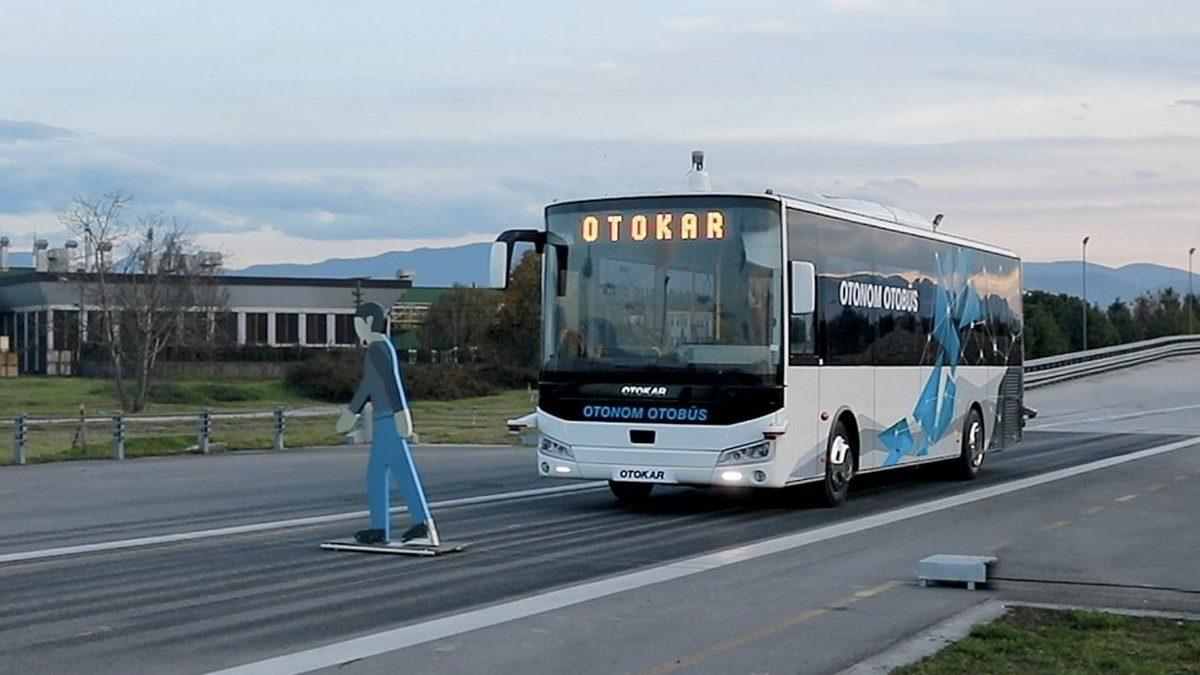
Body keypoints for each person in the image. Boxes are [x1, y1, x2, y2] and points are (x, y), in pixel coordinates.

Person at [336, 302, 439, 546]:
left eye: (358, 325)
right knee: (376, 473)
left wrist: (402, 413)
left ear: (369, 323)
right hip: (385, 420)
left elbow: (391, 383)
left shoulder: (378, 349)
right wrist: (352, 413)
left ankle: (423, 526)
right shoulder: (379, 348)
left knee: (402, 471)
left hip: (389, 420)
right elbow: (369, 385)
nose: (357, 331)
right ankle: (380, 528)